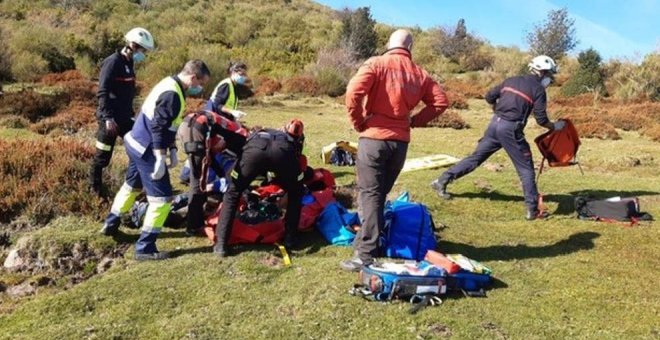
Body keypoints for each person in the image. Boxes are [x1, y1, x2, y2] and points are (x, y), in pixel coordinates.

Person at [339, 29, 449, 272]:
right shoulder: (420, 74)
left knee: (370, 195)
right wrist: (416, 120)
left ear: (389, 44)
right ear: (410, 47)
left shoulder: (376, 64)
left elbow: (353, 93)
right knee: (378, 195)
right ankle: (367, 241)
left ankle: (364, 255)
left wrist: (359, 122)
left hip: (374, 139)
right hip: (400, 143)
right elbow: (440, 101)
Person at [100, 60, 211, 261]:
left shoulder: (169, 83)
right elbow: (158, 127)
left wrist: (173, 148)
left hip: (134, 141)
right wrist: (160, 157)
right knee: (162, 198)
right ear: (193, 77)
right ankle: (145, 247)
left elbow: (163, 122)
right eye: (201, 83)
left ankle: (111, 223)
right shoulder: (173, 94)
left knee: (131, 186)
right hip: (146, 148)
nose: (201, 88)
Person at [430, 55, 565, 221]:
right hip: (511, 130)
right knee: (526, 169)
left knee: (476, 158)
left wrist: (497, 110)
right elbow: (541, 119)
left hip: (494, 125)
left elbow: (489, 96)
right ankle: (533, 210)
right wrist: (555, 126)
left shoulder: (511, 80)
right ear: (542, 73)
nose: (550, 79)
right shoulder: (538, 90)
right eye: (550, 75)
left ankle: (441, 181)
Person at [213, 119, 306, 257]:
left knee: (232, 193)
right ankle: (290, 239)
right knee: (296, 193)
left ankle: (221, 245)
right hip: (282, 154)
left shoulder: (258, 133)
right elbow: (295, 165)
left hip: (254, 153)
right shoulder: (290, 140)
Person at [89, 27, 155, 196]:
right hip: (110, 120)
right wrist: (107, 118)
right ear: (132, 45)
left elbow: (126, 92)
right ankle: (94, 191)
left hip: (125, 118)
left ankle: (134, 187)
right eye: (141, 49)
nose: (143, 53)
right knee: (102, 157)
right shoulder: (112, 62)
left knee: (139, 149)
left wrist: (132, 112)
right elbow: (103, 91)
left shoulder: (129, 63)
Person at [177, 109, 248, 236]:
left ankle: (195, 218)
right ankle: (194, 226)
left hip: (188, 126)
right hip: (196, 130)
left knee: (200, 175)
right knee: (198, 180)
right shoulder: (239, 136)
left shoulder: (222, 127)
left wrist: (222, 175)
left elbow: (213, 156)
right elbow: (222, 154)